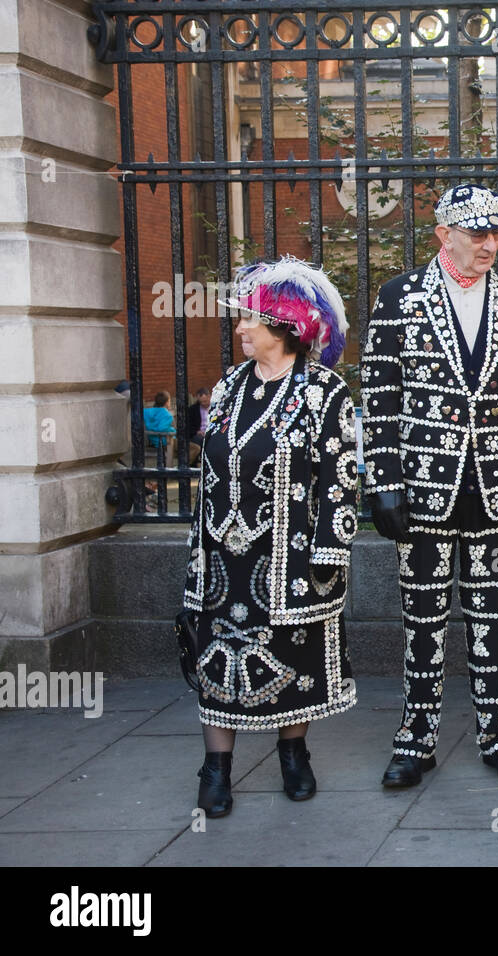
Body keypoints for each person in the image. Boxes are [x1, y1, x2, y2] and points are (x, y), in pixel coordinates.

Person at [361, 183, 498, 789]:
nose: (489, 243)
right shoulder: (398, 297)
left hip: (497, 487)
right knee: (422, 618)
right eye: (477, 233)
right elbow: (380, 398)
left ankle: (497, 733)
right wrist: (384, 481)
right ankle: (415, 738)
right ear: (444, 234)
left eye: (496, 232)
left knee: (494, 618)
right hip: (422, 488)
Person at [183, 255, 358, 817]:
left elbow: (342, 474)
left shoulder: (325, 394)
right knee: (216, 660)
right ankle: (216, 770)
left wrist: (330, 551)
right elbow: (210, 469)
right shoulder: (229, 386)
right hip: (222, 559)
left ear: (284, 325)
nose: (239, 327)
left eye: (249, 319)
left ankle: (293, 754)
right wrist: (201, 551)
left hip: (291, 558)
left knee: (290, 657)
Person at [143, 391, 176, 463]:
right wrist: (173, 430)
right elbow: (162, 429)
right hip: (165, 441)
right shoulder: (167, 415)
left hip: (152, 439)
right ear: (167, 402)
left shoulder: (146, 412)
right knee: (193, 448)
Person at [186, 387, 212, 465]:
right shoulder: (193, 409)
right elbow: (189, 425)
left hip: (212, 432)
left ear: (209, 397)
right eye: (201, 402)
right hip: (199, 434)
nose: (204, 403)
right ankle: (194, 465)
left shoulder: (215, 408)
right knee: (198, 440)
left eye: (205, 401)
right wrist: (198, 431)